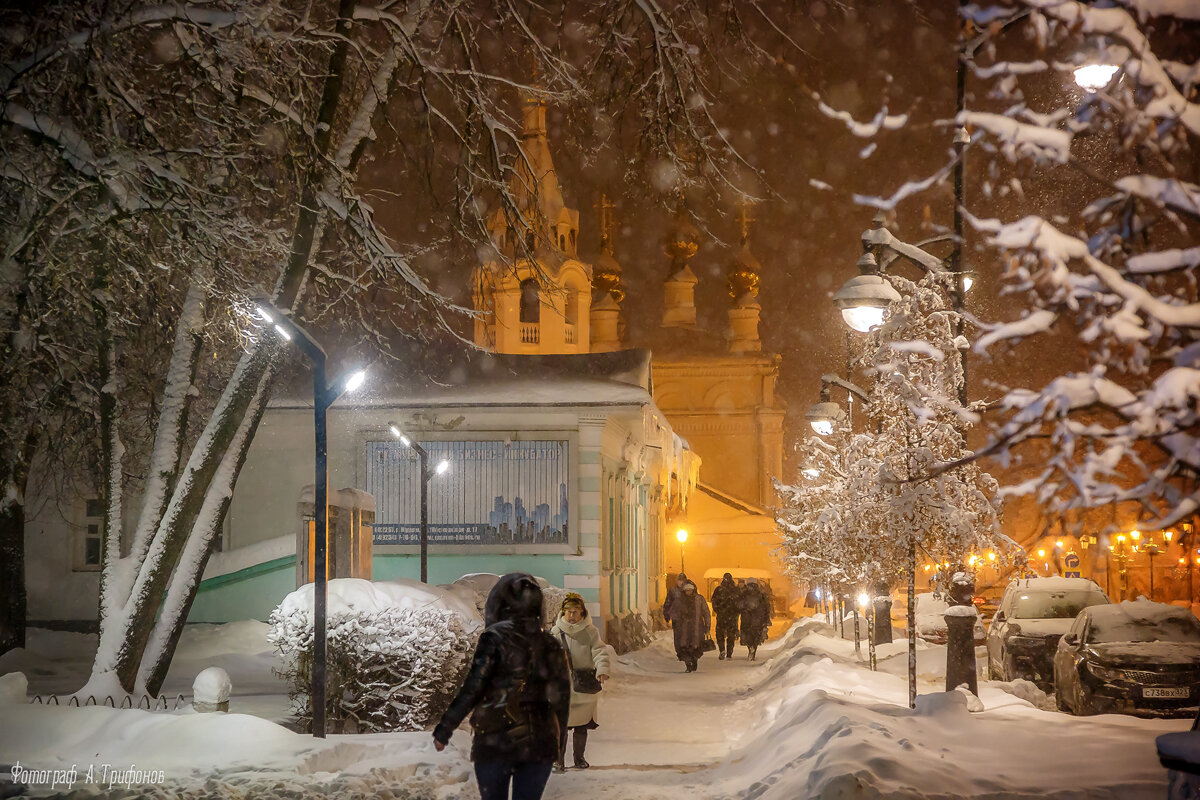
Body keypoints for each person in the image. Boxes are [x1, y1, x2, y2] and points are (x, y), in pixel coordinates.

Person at [433, 573, 570, 800]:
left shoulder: (493, 638)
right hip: (539, 741)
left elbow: (474, 687)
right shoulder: (549, 643)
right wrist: (559, 742)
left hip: (494, 738)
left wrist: (445, 729)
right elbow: (562, 698)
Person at [549, 593, 610, 771]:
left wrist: (602, 670)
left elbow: (600, 652)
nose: (572, 616)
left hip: (583, 684)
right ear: (563, 613)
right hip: (561, 685)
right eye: (568, 612)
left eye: (576, 612)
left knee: (581, 724)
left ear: (582, 613)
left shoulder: (591, 632)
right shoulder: (555, 633)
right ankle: (558, 760)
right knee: (560, 724)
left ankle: (579, 758)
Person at [665, 580, 710, 672]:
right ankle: (688, 664)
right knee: (684, 646)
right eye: (687, 590)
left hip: (696, 628)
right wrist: (675, 620)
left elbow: (706, 612)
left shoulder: (699, 599)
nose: (689, 592)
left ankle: (694, 660)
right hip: (683, 628)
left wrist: (707, 625)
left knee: (695, 646)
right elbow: (673, 611)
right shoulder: (679, 600)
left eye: (690, 590)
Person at [738, 578, 772, 661]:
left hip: (747, 618)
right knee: (756, 635)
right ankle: (753, 649)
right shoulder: (761, 594)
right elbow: (767, 607)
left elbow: (739, 605)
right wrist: (766, 618)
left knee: (747, 634)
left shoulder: (744, 594)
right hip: (758, 618)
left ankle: (750, 648)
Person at [710, 572, 741, 661]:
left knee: (720, 634)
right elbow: (739, 603)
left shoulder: (719, 589)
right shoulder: (735, 590)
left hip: (722, 616)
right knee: (731, 636)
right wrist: (736, 612)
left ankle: (722, 650)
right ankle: (729, 653)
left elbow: (714, 601)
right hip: (732, 616)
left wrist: (718, 610)